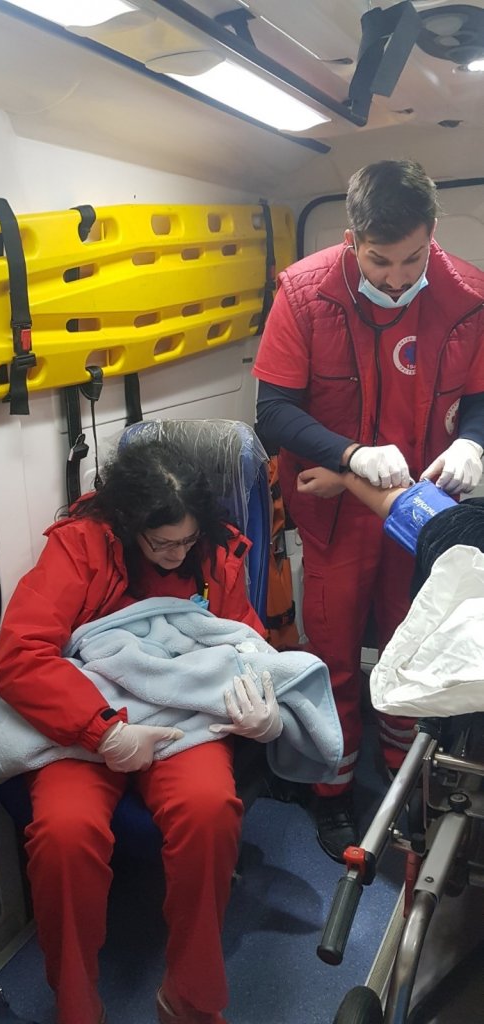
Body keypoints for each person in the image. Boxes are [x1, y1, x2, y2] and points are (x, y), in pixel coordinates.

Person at [0, 436, 281, 1024]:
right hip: (89, 712)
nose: (177, 555)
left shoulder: (215, 550)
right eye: (162, 544)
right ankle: (76, 1005)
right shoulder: (80, 546)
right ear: (128, 523)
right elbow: (20, 655)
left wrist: (267, 706)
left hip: (180, 712)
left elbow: (243, 639)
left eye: (187, 541)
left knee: (210, 811)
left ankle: (189, 997)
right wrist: (105, 733)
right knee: (64, 835)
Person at [253, 158, 484, 861]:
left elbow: (480, 399)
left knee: (412, 649)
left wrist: (473, 441)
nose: (395, 276)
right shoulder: (304, 293)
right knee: (333, 657)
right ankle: (332, 791)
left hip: (422, 509)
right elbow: (273, 412)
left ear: (432, 233)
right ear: (351, 239)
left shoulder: (467, 294)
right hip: (335, 514)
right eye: (379, 261)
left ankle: (405, 784)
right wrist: (351, 454)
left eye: (412, 258)